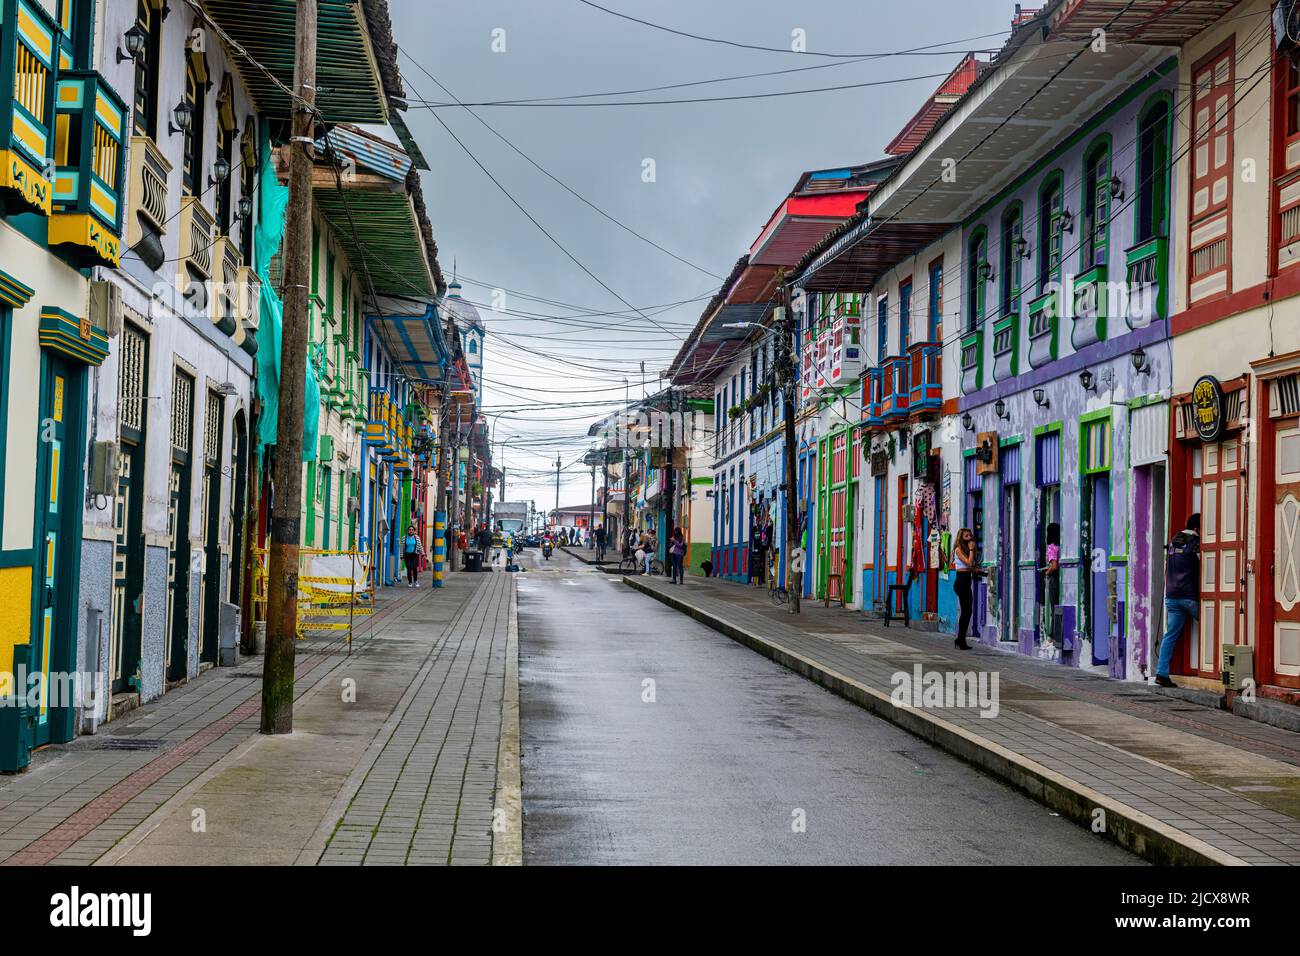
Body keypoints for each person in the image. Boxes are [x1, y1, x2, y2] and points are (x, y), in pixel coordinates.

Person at [1156, 513, 1201, 688]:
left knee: (1169, 636)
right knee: (1213, 629)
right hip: (1188, 597)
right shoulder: (1195, 543)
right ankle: (1218, 670)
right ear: (1197, 528)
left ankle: (1161, 673)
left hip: (1171, 596)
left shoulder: (1174, 542)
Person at [952, 527, 977, 650]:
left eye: (970, 535)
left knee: (967, 612)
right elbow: (968, 562)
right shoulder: (958, 549)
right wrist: (972, 549)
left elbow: (969, 567)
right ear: (961, 538)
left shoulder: (966, 549)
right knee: (966, 612)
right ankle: (961, 640)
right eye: (966, 536)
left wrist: (975, 570)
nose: (969, 538)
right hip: (961, 581)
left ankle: (960, 638)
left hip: (966, 579)